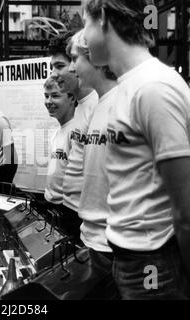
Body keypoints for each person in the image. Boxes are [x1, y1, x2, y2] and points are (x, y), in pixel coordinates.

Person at [83, 0, 190, 299]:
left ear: (103, 18)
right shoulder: (132, 85)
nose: (82, 37)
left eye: (85, 24)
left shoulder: (153, 87)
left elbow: (185, 208)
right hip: (133, 258)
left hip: (152, 263)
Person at [67, 29, 119, 299]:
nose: (72, 66)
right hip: (94, 238)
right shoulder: (100, 104)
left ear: (95, 57)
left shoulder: (123, 103)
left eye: (76, 58)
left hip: (116, 246)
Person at [48, 32, 99, 241]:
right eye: (52, 67)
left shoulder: (97, 105)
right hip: (72, 213)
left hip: (88, 221)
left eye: (59, 66)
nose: (53, 74)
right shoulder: (81, 107)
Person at [43, 74, 76, 218]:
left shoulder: (77, 132)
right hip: (53, 206)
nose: (48, 102)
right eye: (46, 96)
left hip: (67, 209)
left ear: (72, 98)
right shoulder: (56, 132)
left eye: (55, 96)